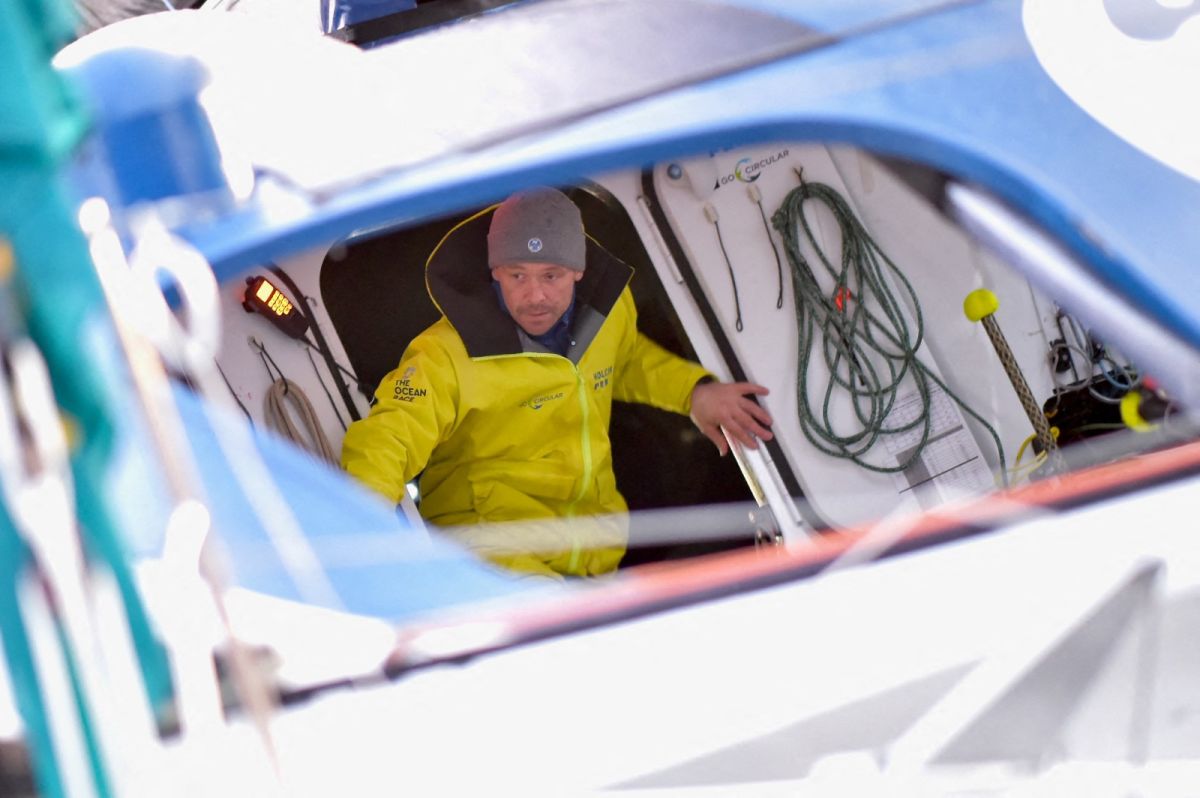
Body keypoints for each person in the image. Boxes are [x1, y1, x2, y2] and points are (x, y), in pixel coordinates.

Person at [341, 187, 773, 578]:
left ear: (578, 270)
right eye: (517, 275)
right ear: (495, 271)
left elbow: (625, 362)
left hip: (593, 547)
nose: (535, 296)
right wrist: (362, 539)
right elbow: (388, 437)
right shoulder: (442, 355)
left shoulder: (608, 312)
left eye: (551, 275)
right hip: (490, 551)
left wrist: (694, 393)